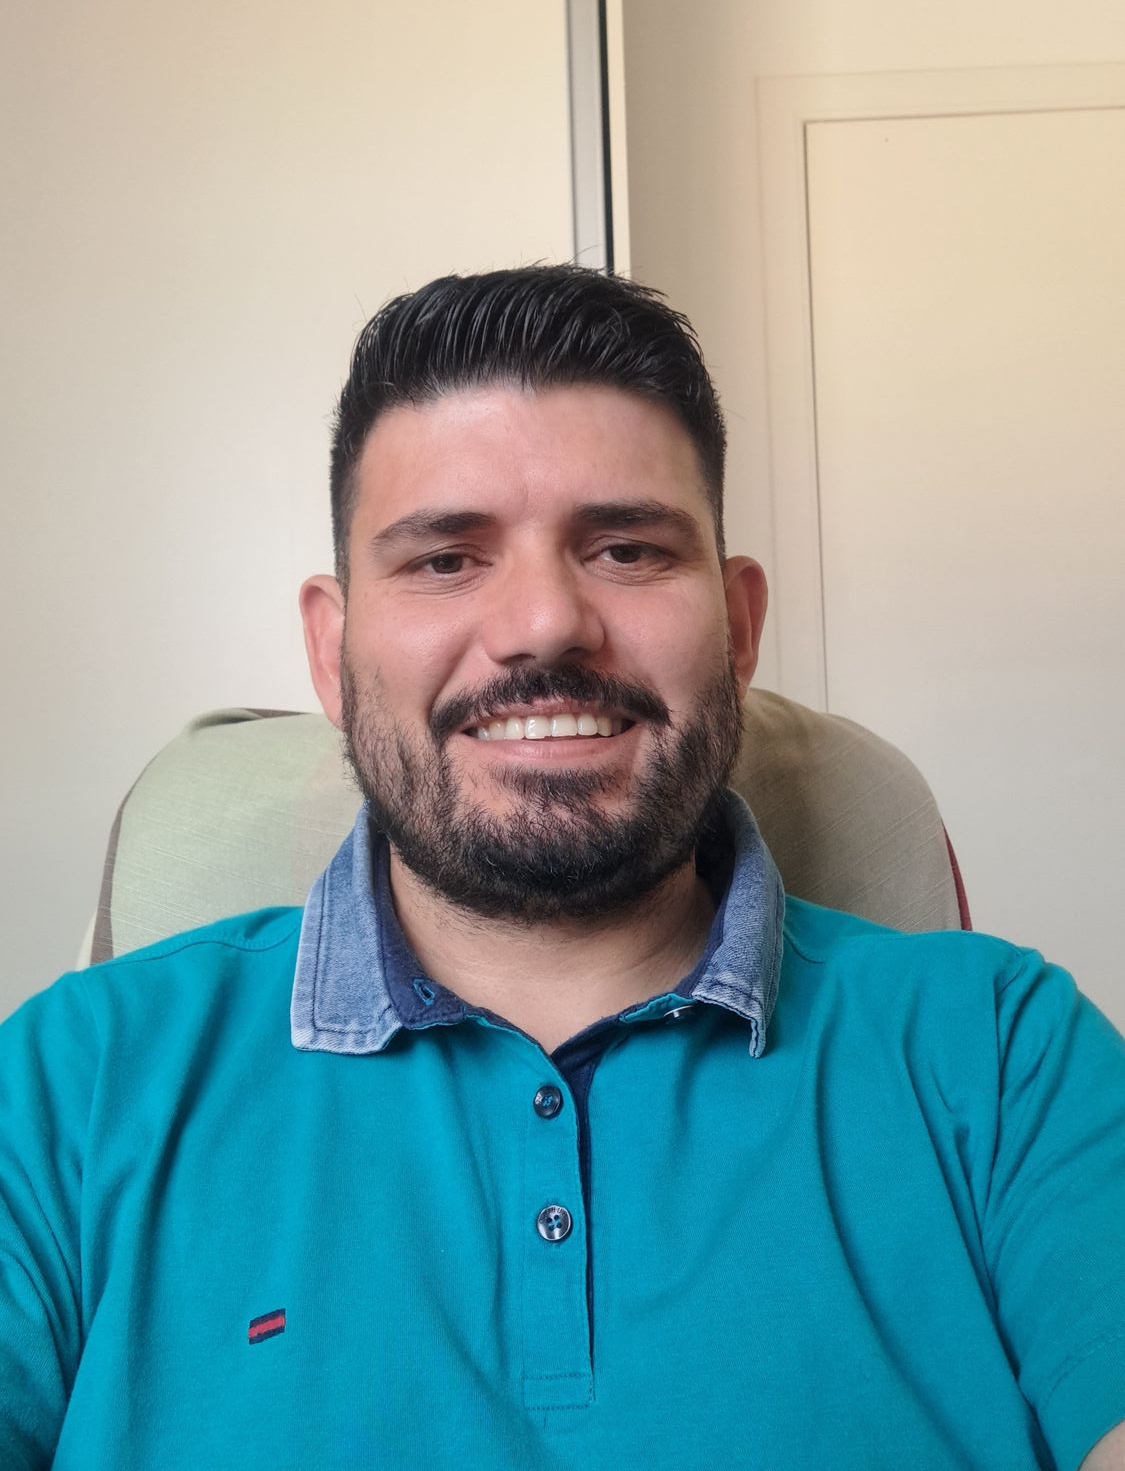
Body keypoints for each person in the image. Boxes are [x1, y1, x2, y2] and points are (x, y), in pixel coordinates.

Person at [2, 266, 1124, 1471]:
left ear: (740, 630)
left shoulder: (1007, 1055)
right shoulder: (69, 1082)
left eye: (627, 549)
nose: (544, 623)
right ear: (332, 652)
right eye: (446, 559)